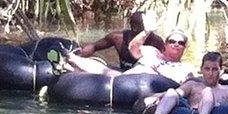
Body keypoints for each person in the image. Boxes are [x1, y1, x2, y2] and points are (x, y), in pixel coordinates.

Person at [54, 22, 196, 84]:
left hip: (146, 86)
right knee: (106, 70)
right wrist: (147, 31)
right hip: (124, 79)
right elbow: (133, 48)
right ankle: (68, 57)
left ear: (184, 48)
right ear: (165, 44)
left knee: (110, 74)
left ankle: (69, 62)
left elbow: (192, 84)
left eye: (181, 43)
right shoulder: (153, 52)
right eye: (172, 41)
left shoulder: (186, 68)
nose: (176, 44)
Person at [144, 52, 228, 114]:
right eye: (207, 69)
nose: (210, 73)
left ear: (221, 71)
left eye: (215, 69)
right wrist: (157, 96)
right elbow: (175, 93)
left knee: (208, 91)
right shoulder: (192, 85)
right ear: (201, 70)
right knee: (171, 91)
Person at [76, 11, 165, 71]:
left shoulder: (156, 42)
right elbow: (94, 46)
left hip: (144, 77)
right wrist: (78, 58)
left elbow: (165, 62)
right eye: (146, 28)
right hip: (122, 76)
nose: (149, 32)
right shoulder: (118, 38)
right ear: (134, 27)